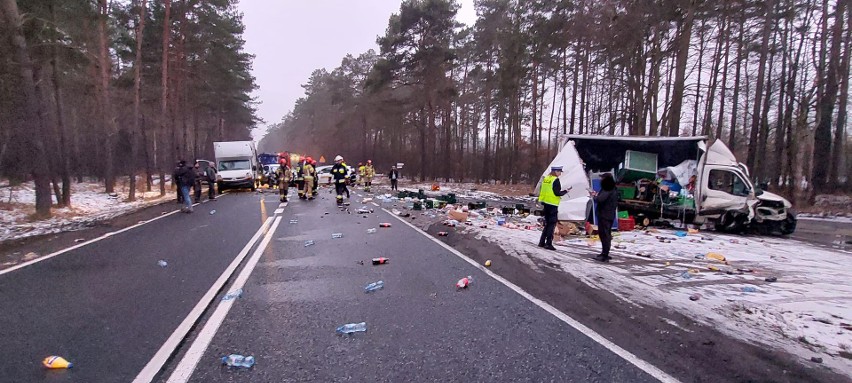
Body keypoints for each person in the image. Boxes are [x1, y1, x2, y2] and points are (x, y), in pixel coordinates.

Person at [538, 166, 570, 250]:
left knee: (547, 224)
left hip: (545, 204)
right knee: (551, 225)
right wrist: (566, 191)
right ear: (555, 171)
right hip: (552, 205)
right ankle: (548, 243)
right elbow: (557, 193)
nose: (560, 174)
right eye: (559, 172)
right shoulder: (555, 180)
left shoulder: (546, 178)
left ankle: (541, 242)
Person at [590, 174, 619, 262]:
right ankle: (604, 253)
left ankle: (605, 255)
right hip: (609, 214)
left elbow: (600, 199)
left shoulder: (608, 188)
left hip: (605, 215)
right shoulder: (612, 187)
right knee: (606, 234)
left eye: (602, 178)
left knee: (604, 235)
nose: (601, 180)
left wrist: (594, 196)